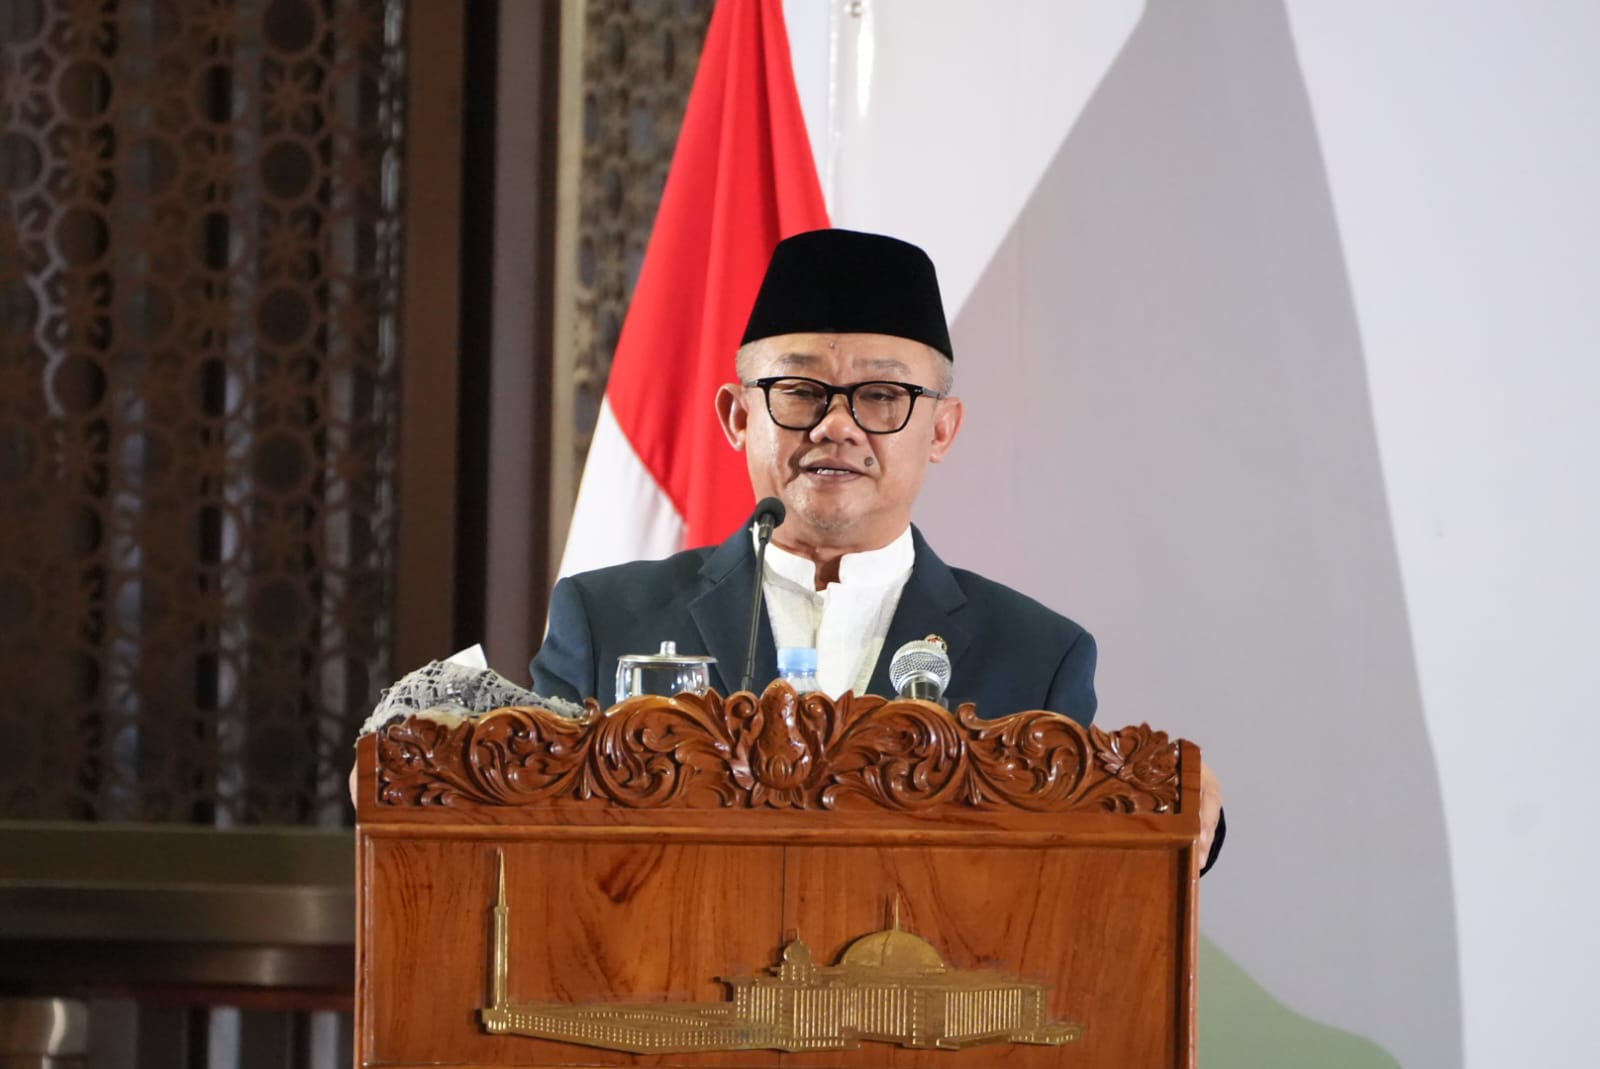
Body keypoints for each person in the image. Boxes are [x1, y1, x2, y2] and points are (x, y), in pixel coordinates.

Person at [532, 228, 1222, 867]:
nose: (837, 426)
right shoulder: (605, 619)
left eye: (882, 396)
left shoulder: (1036, 656)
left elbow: (1079, 860)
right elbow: (528, 831)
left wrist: (1186, 815)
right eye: (800, 392)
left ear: (943, 430)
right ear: (739, 417)